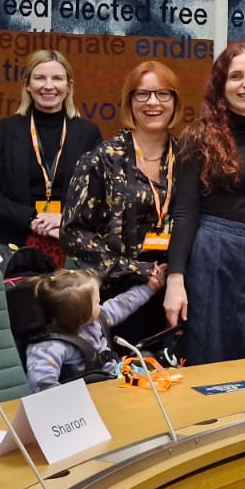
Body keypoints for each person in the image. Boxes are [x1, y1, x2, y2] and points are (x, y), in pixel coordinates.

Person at [164, 44, 245, 365]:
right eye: (236, 76)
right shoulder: (197, 138)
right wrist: (175, 279)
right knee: (210, 351)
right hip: (212, 258)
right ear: (221, 85)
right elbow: (184, 213)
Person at [62, 61, 182, 344]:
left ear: (175, 101)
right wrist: (137, 270)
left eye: (163, 94)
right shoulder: (103, 159)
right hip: (118, 299)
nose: (153, 102)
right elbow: (74, 233)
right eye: (142, 94)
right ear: (130, 101)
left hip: (176, 293)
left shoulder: (189, 157)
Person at [0, 50, 102, 261]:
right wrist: (32, 218)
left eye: (57, 78)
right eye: (40, 78)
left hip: (71, 246)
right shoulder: (3, 131)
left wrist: (64, 219)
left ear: (69, 86)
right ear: (27, 85)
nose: (48, 86)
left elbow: (98, 195)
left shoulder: (88, 133)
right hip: (13, 246)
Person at [23, 268, 158, 393]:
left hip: (116, 377)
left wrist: (149, 288)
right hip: (92, 395)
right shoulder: (49, 347)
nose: (100, 305)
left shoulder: (94, 320)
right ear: (83, 314)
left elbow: (120, 305)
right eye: (97, 302)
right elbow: (41, 384)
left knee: (147, 359)